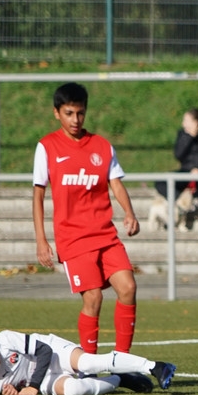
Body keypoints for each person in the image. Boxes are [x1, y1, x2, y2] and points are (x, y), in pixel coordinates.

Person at [33, 82, 140, 355]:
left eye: (80, 113)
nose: (75, 120)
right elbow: (38, 195)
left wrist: (129, 213)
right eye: (69, 113)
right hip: (73, 238)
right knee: (93, 298)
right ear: (56, 113)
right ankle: (88, 366)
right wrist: (41, 240)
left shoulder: (101, 146)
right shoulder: (47, 147)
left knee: (128, 287)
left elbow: (115, 183)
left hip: (105, 234)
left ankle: (123, 360)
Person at [0, 325, 176, 395]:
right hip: (43, 380)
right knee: (74, 390)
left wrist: (33, 387)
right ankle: (120, 379)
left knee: (87, 363)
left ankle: (155, 367)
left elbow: (44, 351)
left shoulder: (4, 340)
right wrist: (11, 392)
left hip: (54, 354)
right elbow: (8, 387)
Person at [155, 107, 198, 210]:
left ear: (196, 122)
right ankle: (180, 202)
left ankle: (195, 201)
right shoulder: (183, 134)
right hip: (186, 172)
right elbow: (178, 155)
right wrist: (189, 137)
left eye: (186, 121)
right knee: (161, 182)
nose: (183, 124)